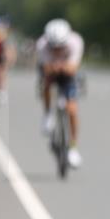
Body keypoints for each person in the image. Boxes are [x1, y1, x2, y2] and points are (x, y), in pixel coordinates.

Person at [37, 19, 84, 168]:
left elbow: (72, 69)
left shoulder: (76, 42)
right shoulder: (42, 45)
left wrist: (60, 66)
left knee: (72, 110)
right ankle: (47, 114)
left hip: (68, 74)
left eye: (60, 47)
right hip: (51, 71)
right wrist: (54, 68)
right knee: (46, 84)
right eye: (53, 47)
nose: (57, 50)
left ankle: (73, 148)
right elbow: (46, 69)